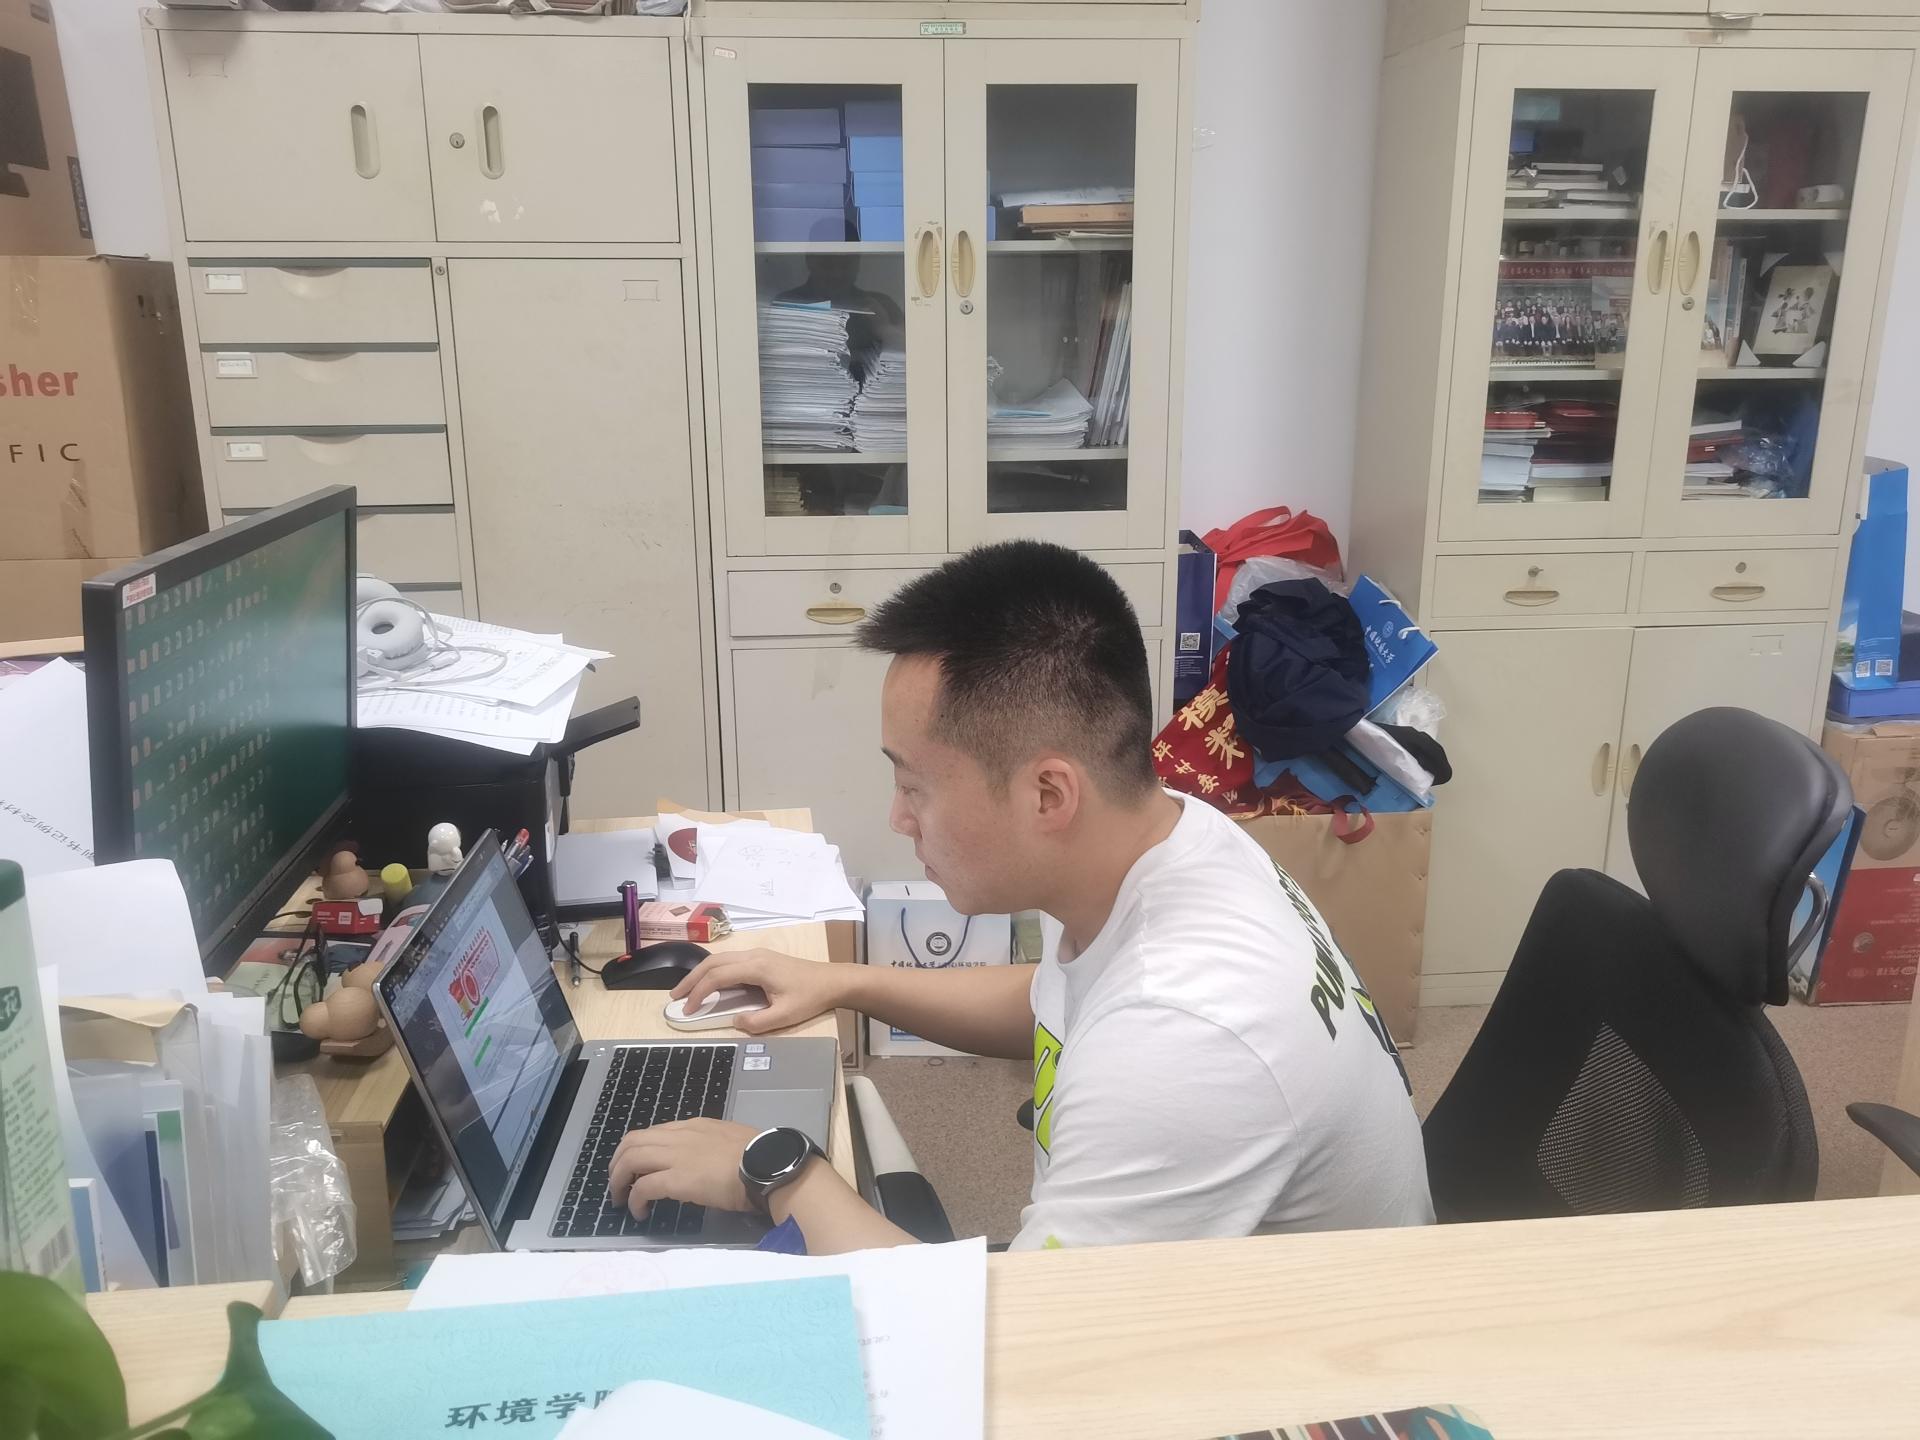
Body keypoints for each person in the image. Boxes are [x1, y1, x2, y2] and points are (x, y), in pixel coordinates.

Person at [608, 541, 1434, 1252]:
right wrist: (843, 982)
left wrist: (779, 1173)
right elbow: (1058, 997)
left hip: (1266, 1372)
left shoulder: (1182, 1037)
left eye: (915, 786)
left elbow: (1004, 1342)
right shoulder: (1169, 834)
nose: (899, 818)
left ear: (1048, 795)